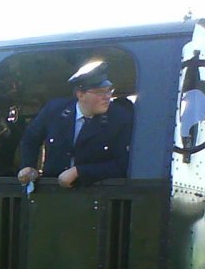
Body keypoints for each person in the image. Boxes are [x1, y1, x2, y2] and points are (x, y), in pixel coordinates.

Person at [17, 61, 133, 189]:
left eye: (109, 91)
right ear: (80, 94)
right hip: (52, 189)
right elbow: (31, 137)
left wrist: (79, 172)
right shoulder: (55, 110)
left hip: (97, 191)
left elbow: (123, 164)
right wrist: (29, 166)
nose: (107, 97)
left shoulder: (120, 118)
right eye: (100, 92)